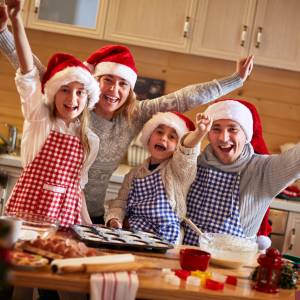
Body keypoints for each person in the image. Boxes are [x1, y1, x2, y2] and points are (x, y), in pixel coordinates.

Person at [0, 3, 254, 225]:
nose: (114, 89)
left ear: (130, 90)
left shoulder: (134, 115)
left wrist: (234, 80)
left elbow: (184, 98)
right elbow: (30, 69)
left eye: (123, 84)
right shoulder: (73, 103)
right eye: (107, 80)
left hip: (92, 216)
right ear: (92, 82)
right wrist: (3, 32)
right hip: (46, 207)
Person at [4, 0, 100, 230]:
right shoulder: (39, 120)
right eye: (64, 90)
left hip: (66, 223)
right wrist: (16, 19)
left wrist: (89, 227)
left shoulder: (91, 141)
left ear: (88, 99)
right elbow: (28, 74)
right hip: (26, 220)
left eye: (79, 92)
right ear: (52, 93)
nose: (72, 99)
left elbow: (78, 187)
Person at [183, 99, 300, 249]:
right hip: (186, 260)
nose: (223, 138)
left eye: (233, 129)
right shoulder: (193, 163)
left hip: (235, 267)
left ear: (246, 136)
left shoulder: (262, 170)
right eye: (216, 129)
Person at [104, 111, 212, 244]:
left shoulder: (178, 171)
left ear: (178, 147)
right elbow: (120, 203)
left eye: (172, 136)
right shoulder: (133, 174)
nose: (163, 138)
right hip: (133, 236)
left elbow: (186, 151)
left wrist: (199, 133)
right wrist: (115, 220)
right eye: (159, 132)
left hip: (166, 241)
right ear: (148, 138)